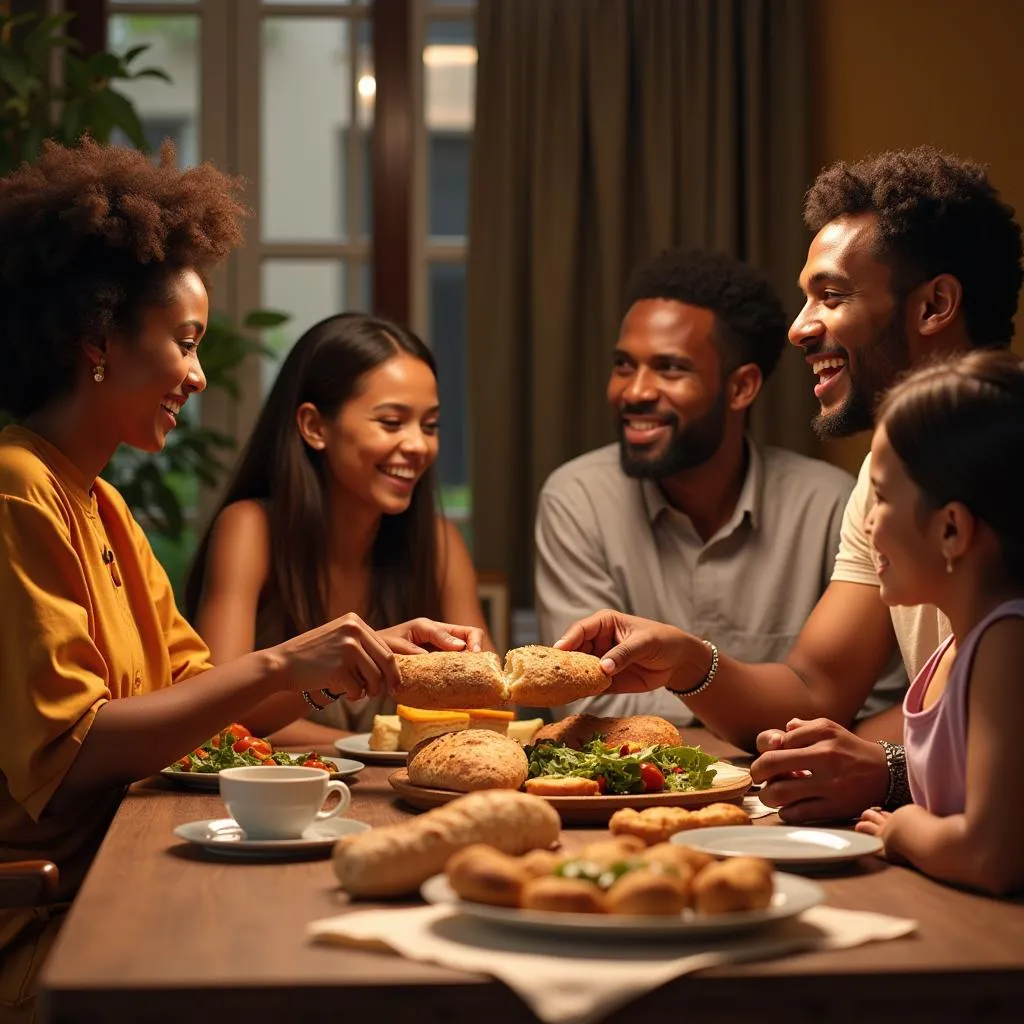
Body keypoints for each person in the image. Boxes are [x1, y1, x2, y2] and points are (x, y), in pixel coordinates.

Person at [0, 140, 480, 1022]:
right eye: (185, 343)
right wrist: (281, 664)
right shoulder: (18, 488)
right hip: (47, 915)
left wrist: (365, 660)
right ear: (98, 339)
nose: (197, 373)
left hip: (114, 875)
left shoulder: (100, 502)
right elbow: (75, 757)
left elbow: (198, 699)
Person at [553, 146, 1023, 823]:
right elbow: (816, 687)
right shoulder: (879, 478)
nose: (800, 327)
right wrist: (688, 661)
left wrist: (889, 771)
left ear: (935, 305)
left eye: (830, 296)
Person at [534, 248, 860, 726]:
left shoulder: (831, 505)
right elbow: (585, 698)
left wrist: (685, 683)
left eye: (670, 368)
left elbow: (870, 700)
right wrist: (771, 704)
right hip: (633, 793)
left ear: (741, 388)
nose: (635, 391)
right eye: (624, 365)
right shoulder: (577, 498)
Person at [185, 312, 493, 741]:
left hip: (407, 799)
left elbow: (491, 704)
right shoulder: (251, 529)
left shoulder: (439, 542)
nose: (419, 445)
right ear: (314, 427)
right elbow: (213, 714)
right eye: (391, 422)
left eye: (430, 426)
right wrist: (364, 738)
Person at [854, 350, 1024, 896]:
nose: (867, 523)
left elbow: (992, 856)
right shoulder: (957, 645)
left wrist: (904, 829)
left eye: (880, 498)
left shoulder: (1007, 643)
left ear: (951, 529)